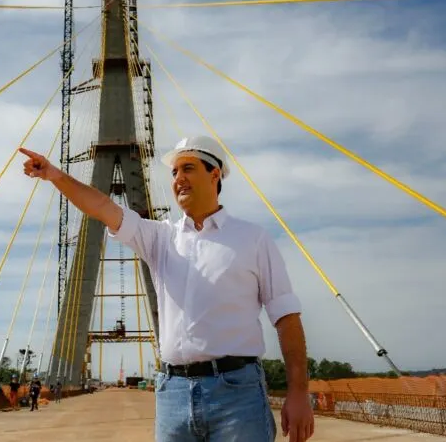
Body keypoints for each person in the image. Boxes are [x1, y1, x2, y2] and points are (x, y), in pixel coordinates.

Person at [20, 136, 315, 442]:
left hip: (237, 395)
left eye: (188, 168)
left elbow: (286, 318)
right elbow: (102, 207)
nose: (178, 179)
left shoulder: (253, 239)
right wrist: (54, 175)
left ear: (215, 174)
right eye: (174, 173)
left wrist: (299, 393)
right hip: (172, 394)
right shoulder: (160, 238)